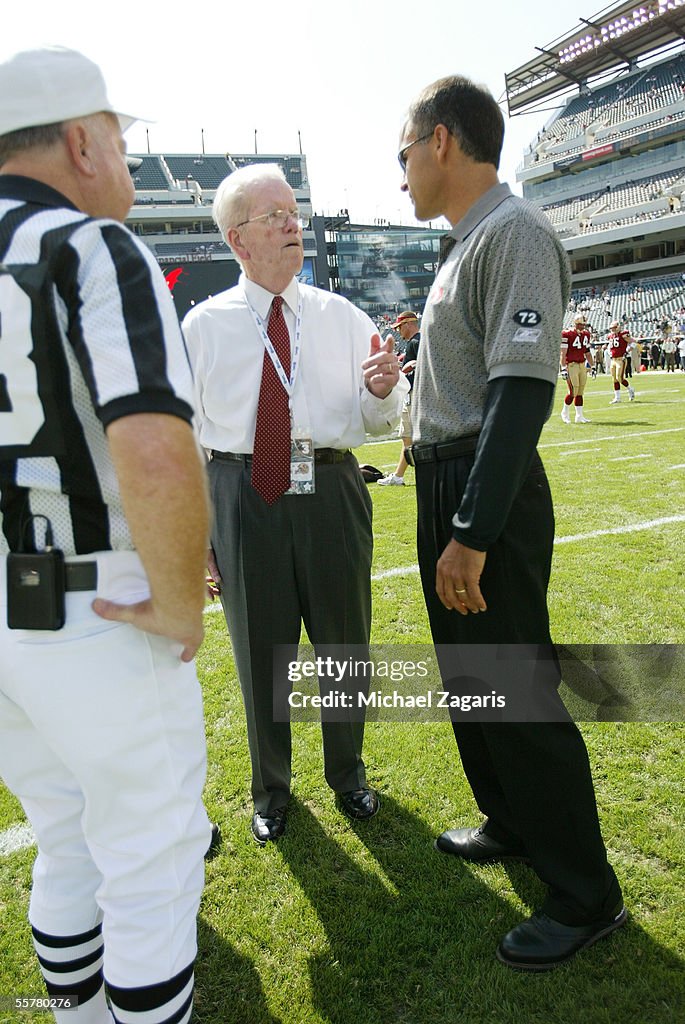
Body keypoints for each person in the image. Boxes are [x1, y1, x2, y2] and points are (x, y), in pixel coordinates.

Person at [0, 48, 213, 1024]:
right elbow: (155, 449)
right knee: (151, 850)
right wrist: (175, 596)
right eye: (121, 140)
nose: (126, 161)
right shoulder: (91, 247)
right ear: (82, 141)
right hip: (93, 599)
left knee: (66, 832)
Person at [398, 74, 624, 972]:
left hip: (481, 491)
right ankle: (512, 820)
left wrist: (473, 529)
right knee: (470, 681)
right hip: (444, 481)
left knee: (517, 689)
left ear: (443, 140)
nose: (401, 172)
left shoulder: (515, 231)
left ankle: (585, 895)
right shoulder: (465, 242)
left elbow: (523, 391)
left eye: (403, 151)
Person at [182, 164, 408, 845]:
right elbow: (186, 440)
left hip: (333, 490)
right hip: (241, 494)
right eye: (272, 215)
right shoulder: (202, 326)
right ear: (236, 239)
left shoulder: (340, 316)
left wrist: (380, 391)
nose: (291, 225)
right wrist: (199, 539)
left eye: (293, 213)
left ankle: (348, 773)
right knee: (261, 650)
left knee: (344, 641)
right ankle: (270, 788)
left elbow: (377, 424)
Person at [378, 310, 421, 485]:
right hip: (412, 396)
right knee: (407, 438)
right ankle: (398, 476)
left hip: (414, 396)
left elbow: (422, 366)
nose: (398, 331)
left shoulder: (416, 342)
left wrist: (404, 370)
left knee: (411, 437)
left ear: (408, 324)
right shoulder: (416, 342)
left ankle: (400, 476)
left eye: (399, 327)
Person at [560, 314, 592, 423]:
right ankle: (565, 412)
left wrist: (592, 366)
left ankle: (579, 416)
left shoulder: (586, 334)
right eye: (580, 324)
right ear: (575, 323)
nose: (582, 327)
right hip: (571, 365)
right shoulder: (567, 334)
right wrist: (563, 368)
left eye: (583, 324)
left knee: (580, 391)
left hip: (581, 364)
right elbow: (563, 353)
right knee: (573, 391)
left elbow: (587, 352)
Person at [607, 321, 635, 403]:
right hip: (613, 359)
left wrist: (626, 352)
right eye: (612, 328)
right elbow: (609, 346)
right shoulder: (610, 336)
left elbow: (633, 342)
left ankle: (630, 389)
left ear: (618, 327)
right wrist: (610, 353)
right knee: (614, 379)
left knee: (620, 378)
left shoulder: (623, 334)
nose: (613, 330)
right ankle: (617, 398)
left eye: (614, 328)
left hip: (621, 359)